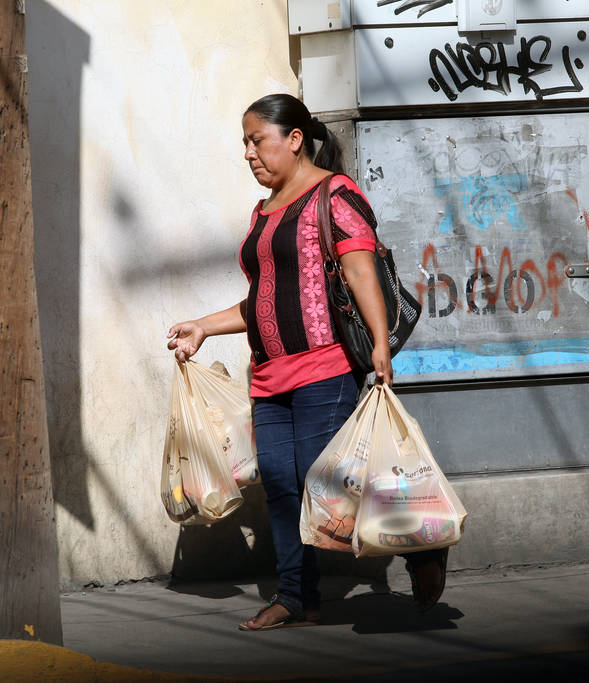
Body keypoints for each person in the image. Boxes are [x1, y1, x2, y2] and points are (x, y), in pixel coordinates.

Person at [168, 93, 448, 631]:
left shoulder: (333, 193)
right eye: (245, 143)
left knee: (331, 479)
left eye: (258, 141)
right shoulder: (265, 210)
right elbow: (264, 299)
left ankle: (421, 549)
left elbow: (361, 270)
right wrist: (204, 325)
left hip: (326, 364)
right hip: (269, 374)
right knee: (279, 482)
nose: (249, 153)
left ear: (295, 140)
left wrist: (380, 344)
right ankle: (297, 598)